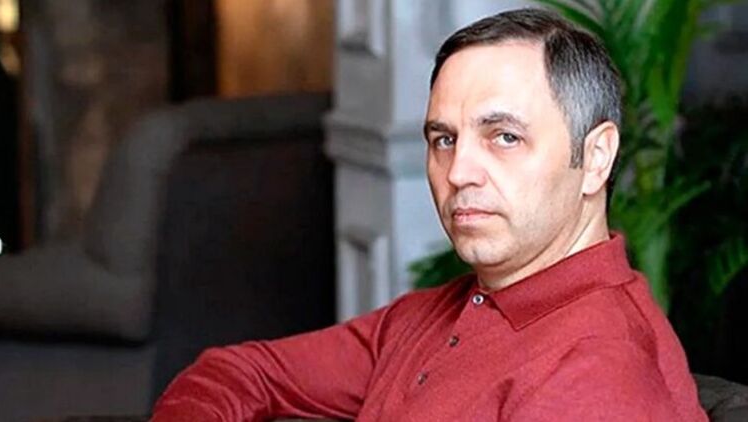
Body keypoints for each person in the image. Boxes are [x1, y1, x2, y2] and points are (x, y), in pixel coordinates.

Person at [152, 8, 708, 421]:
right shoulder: (436, 313)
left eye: (504, 137)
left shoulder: (598, 375)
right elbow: (237, 372)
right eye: (444, 139)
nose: (458, 171)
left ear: (596, 157)